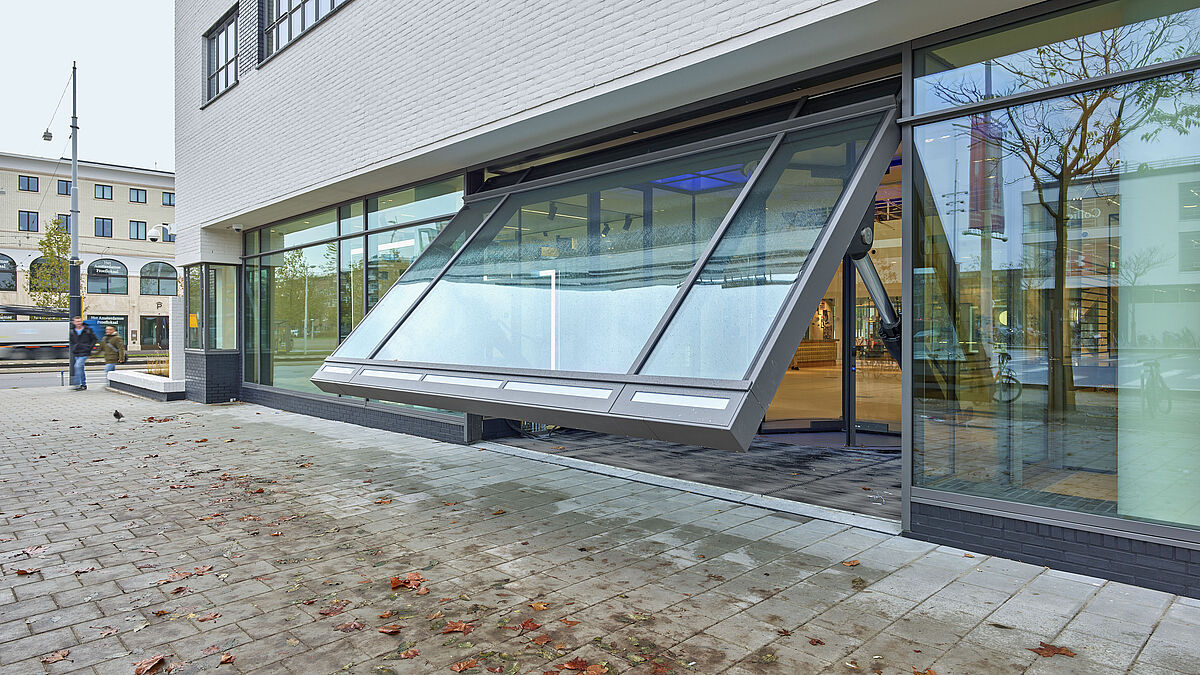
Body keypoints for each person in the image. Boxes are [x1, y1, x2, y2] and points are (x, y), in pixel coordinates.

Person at [69, 317, 98, 391]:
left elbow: (94, 339)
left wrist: (89, 347)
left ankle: (77, 384)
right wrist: (73, 348)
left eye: (79, 321)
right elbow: (72, 341)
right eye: (77, 321)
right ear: (74, 322)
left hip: (85, 352)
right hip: (77, 352)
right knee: (80, 368)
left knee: (77, 366)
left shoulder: (87, 330)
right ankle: (83, 384)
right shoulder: (72, 331)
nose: (78, 323)